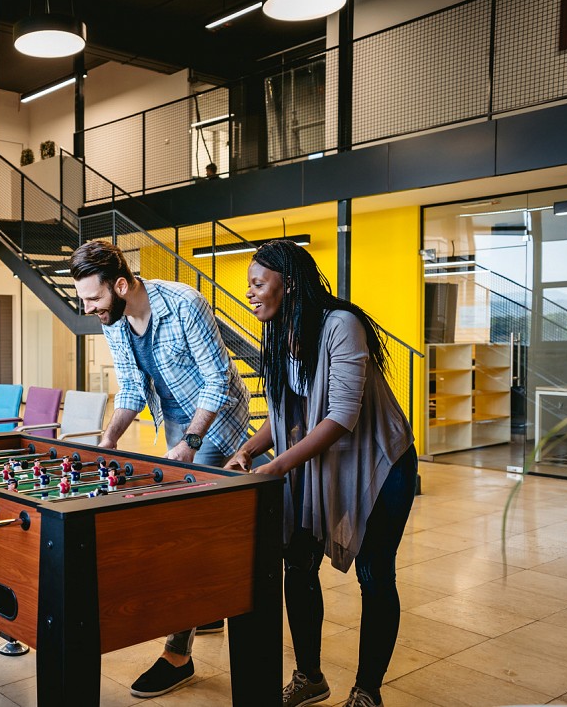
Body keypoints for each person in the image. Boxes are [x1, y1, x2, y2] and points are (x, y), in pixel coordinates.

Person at [225, 241, 417, 707]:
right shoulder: (279, 333)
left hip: (378, 464)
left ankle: (367, 690)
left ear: (288, 284)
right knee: (297, 562)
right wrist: (249, 450)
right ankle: (310, 677)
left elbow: (341, 415)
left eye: (257, 282)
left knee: (374, 574)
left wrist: (277, 466)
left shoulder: (340, 326)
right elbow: (283, 408)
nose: (249, 292)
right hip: (321, 464)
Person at [69, 239, 250, 698]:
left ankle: (178, 654)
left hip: (214, 420)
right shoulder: (114, 319)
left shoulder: (185, 304)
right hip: (173, 420)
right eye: (83, 298)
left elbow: (219, 379)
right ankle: (206, 607)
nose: (87, 307)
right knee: (198, 524)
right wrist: (109, 439)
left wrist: (192, 441)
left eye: (93, 297)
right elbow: (131, 387)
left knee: (185, 529)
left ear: (122, 284)